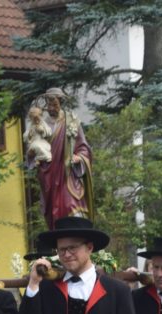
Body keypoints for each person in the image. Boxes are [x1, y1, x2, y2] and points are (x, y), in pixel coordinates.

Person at [35, 88, 94, 227]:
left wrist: (79, 158)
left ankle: (78, 234)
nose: (51, 108)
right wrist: (35, 157)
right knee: (55, 213)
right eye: (49, 105)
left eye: (54, 104)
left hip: (68, 174)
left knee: (72, 205)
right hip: (50, 175)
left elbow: (84, 147)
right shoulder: (42, 126)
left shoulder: (71, 121)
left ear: (60, 102)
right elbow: (35, 148)